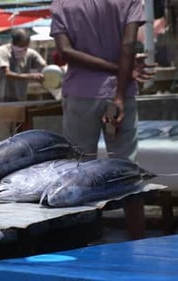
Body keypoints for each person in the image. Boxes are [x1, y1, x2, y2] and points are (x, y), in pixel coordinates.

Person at [50, 0, 155, 240]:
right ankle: (137, 239)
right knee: (127, 168)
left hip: (79, 94)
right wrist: (120, 83)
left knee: (77, 170)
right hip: (121, 93)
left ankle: (81, 238)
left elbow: (65, 53)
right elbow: (128, 43)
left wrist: (114, 68)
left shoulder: (62, 4)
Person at [0, 28, 47, 139]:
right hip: (3, 102)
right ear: (13, 43)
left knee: (20, 139)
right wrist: (31, 76)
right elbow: (7, 73)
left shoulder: (30, 53)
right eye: (21, 46)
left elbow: (44, 67)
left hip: (20, 102)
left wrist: (50, 74)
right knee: (3, 139)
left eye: (26, 46)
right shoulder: (2, 51)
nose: (23, 50)